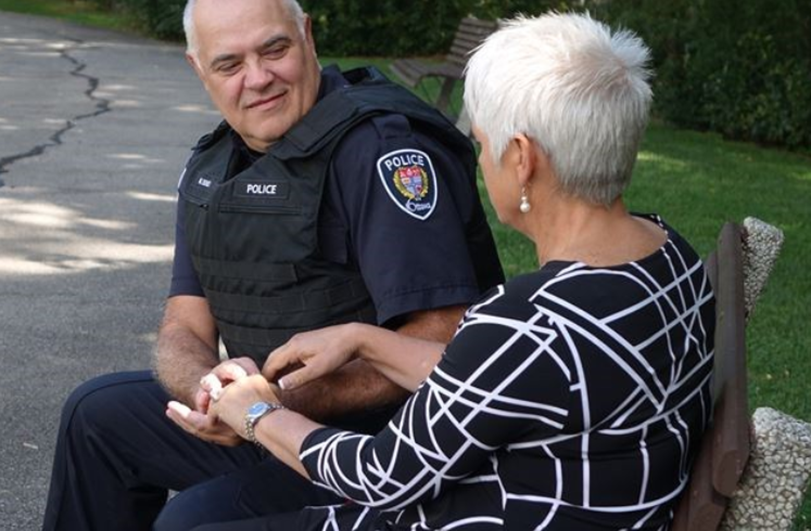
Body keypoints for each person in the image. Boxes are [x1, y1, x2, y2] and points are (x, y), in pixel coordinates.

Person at [202, 11, 717, 531]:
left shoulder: (530, 321)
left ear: (522, 159)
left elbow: (382, 476)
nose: (479, 158)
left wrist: (256, 413)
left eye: (481, 143)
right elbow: (502, 381)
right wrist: (365, 339)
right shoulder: (670, 250)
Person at [40, 0, 504, 529]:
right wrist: (208, 393)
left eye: (274, 49)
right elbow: (183, 325)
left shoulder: (379, 150)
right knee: (95, 415)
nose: (258, 79)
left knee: (189, 521)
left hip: (382, 447)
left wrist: (266, 408)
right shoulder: (212, 165)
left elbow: (443, 340)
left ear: (307, 36)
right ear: (199, 69)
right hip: (266, 419)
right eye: (230, 64)